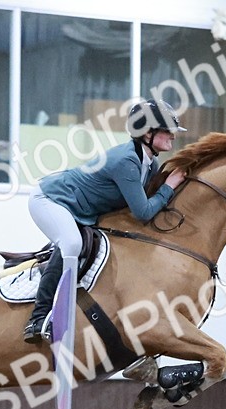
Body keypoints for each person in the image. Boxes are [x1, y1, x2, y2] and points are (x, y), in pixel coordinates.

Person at [23, 99, 188, 343]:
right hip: (50, 199)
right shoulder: (127, 161)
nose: (173, 135)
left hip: (80, 209)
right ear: (147, 133)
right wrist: (169, 187)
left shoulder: (150, 163)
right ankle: (37, 319)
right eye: (167, 130)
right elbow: (143, 212)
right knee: (71, 243)